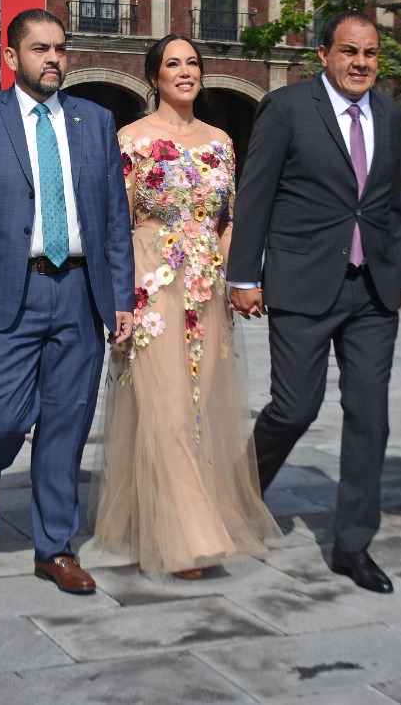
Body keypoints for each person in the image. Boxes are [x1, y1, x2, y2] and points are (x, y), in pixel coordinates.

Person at [0, 8, 135, 597]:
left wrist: (119, 294)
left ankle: (55, 547)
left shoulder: (94, 120)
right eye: (40, 49)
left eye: (61, 49)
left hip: (79, 290)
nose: (53, 59)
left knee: (66, 426)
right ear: (11, 57)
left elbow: (113, 219)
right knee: (1, 418)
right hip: (4, 291)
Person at [228, 10, 401, 593]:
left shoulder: (392, 114)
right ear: (324, 55)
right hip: (302, 283)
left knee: (370, 418)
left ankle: (353, 544)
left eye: (371, 53)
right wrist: (243, 276)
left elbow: (387, 204)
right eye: (350, 52)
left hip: (372, 291)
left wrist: (396, 277)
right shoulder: (286, 109)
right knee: (295, 408)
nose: (361, 63)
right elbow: (255, 194)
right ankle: (237, 497)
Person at [94, 36, 279, 579]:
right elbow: (117, 224)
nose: (185, 72)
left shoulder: (221, 141)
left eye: (193, 63)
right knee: (167, 409)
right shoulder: (129, 140)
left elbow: (229, 220)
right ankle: (189, 537)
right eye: (172, 64)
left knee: (200, 412)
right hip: (151, 289)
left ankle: (167, 515)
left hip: (208, 291)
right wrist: (122, 294)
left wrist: (234, 277)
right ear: (153, 77)